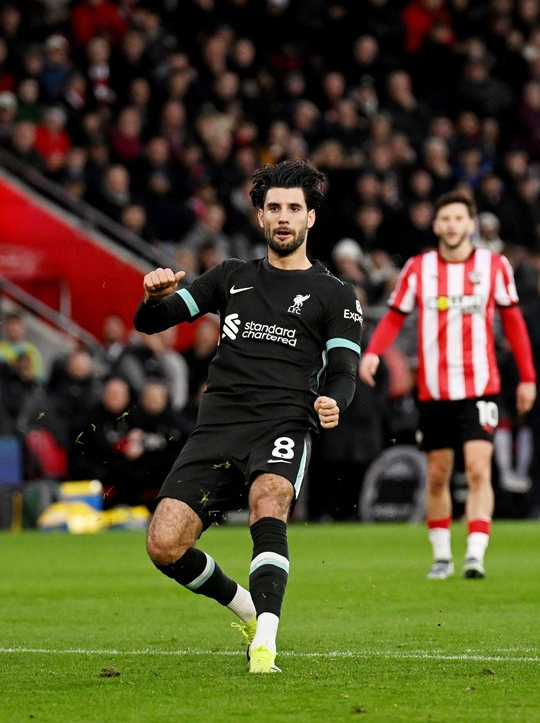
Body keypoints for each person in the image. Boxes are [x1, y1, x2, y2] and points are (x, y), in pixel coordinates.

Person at [134, 159, 361, 674]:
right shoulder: (231, 276)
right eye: (274, 208)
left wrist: (334, 401)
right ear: (260, 217)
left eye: (294, 209)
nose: (284, 217)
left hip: (283, 424)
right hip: (217, 428)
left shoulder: (335, 293)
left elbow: (345, 370)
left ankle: (266, 643)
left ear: (310, 220)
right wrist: (152, 299)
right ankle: (246, 608)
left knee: (268, 503)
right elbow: (154, 322)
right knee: (164, 545)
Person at [358, 190, 536, 581]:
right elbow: (393, 316)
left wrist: (527, 377)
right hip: (434, 391)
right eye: (446, 219)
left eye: (460, 219)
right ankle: (442, 556)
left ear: (471, 225)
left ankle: (475, 553)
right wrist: (372, 352)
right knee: (438, 474)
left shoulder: (494, 266)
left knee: (477, 468)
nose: (453, 225)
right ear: (436, 225)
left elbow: (514, 323)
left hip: (480, 387)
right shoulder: (419, 269)